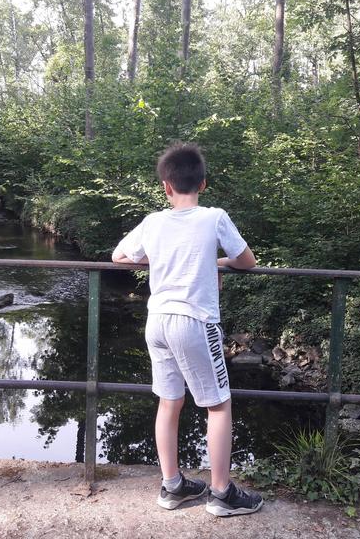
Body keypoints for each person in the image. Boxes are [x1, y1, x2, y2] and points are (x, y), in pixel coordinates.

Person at [111, 142, 263, 517]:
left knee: (169, 401)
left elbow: (118, 256)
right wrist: (216, 260)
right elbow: (248, 261)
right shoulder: (214, 217)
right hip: (194, 321)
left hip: (158, 320)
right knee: (219, 405)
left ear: (166, 186)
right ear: (203, 184)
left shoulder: (153, 222)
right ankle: (221, 493)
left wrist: (160, 257)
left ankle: (173, 486)